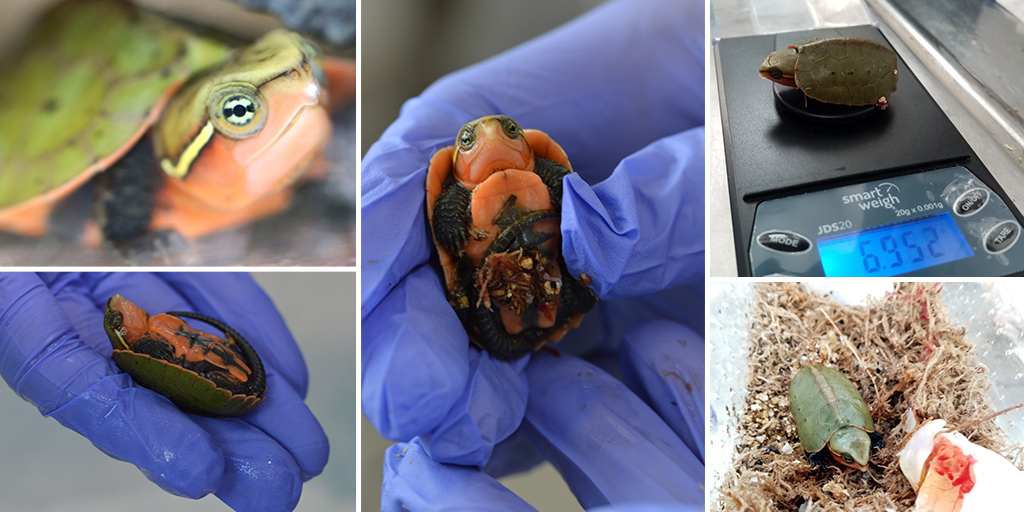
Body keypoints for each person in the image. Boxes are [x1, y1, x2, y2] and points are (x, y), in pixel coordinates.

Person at [360, 0, 705, 508]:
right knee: (467, 360)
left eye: (511, 132)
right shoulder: (456, 198)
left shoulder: (545, 175)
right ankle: (502, 347)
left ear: (527, 145)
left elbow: (573, 203)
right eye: (470, 138)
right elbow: (449, 238)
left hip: (566, 282)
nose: (494, 136)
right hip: (495, 290)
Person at [0, 272, 328, 512]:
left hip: (230, 382)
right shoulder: (144, 344)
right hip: (222, 386)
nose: (123, 307)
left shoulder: (154, 331)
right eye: (119, 317)